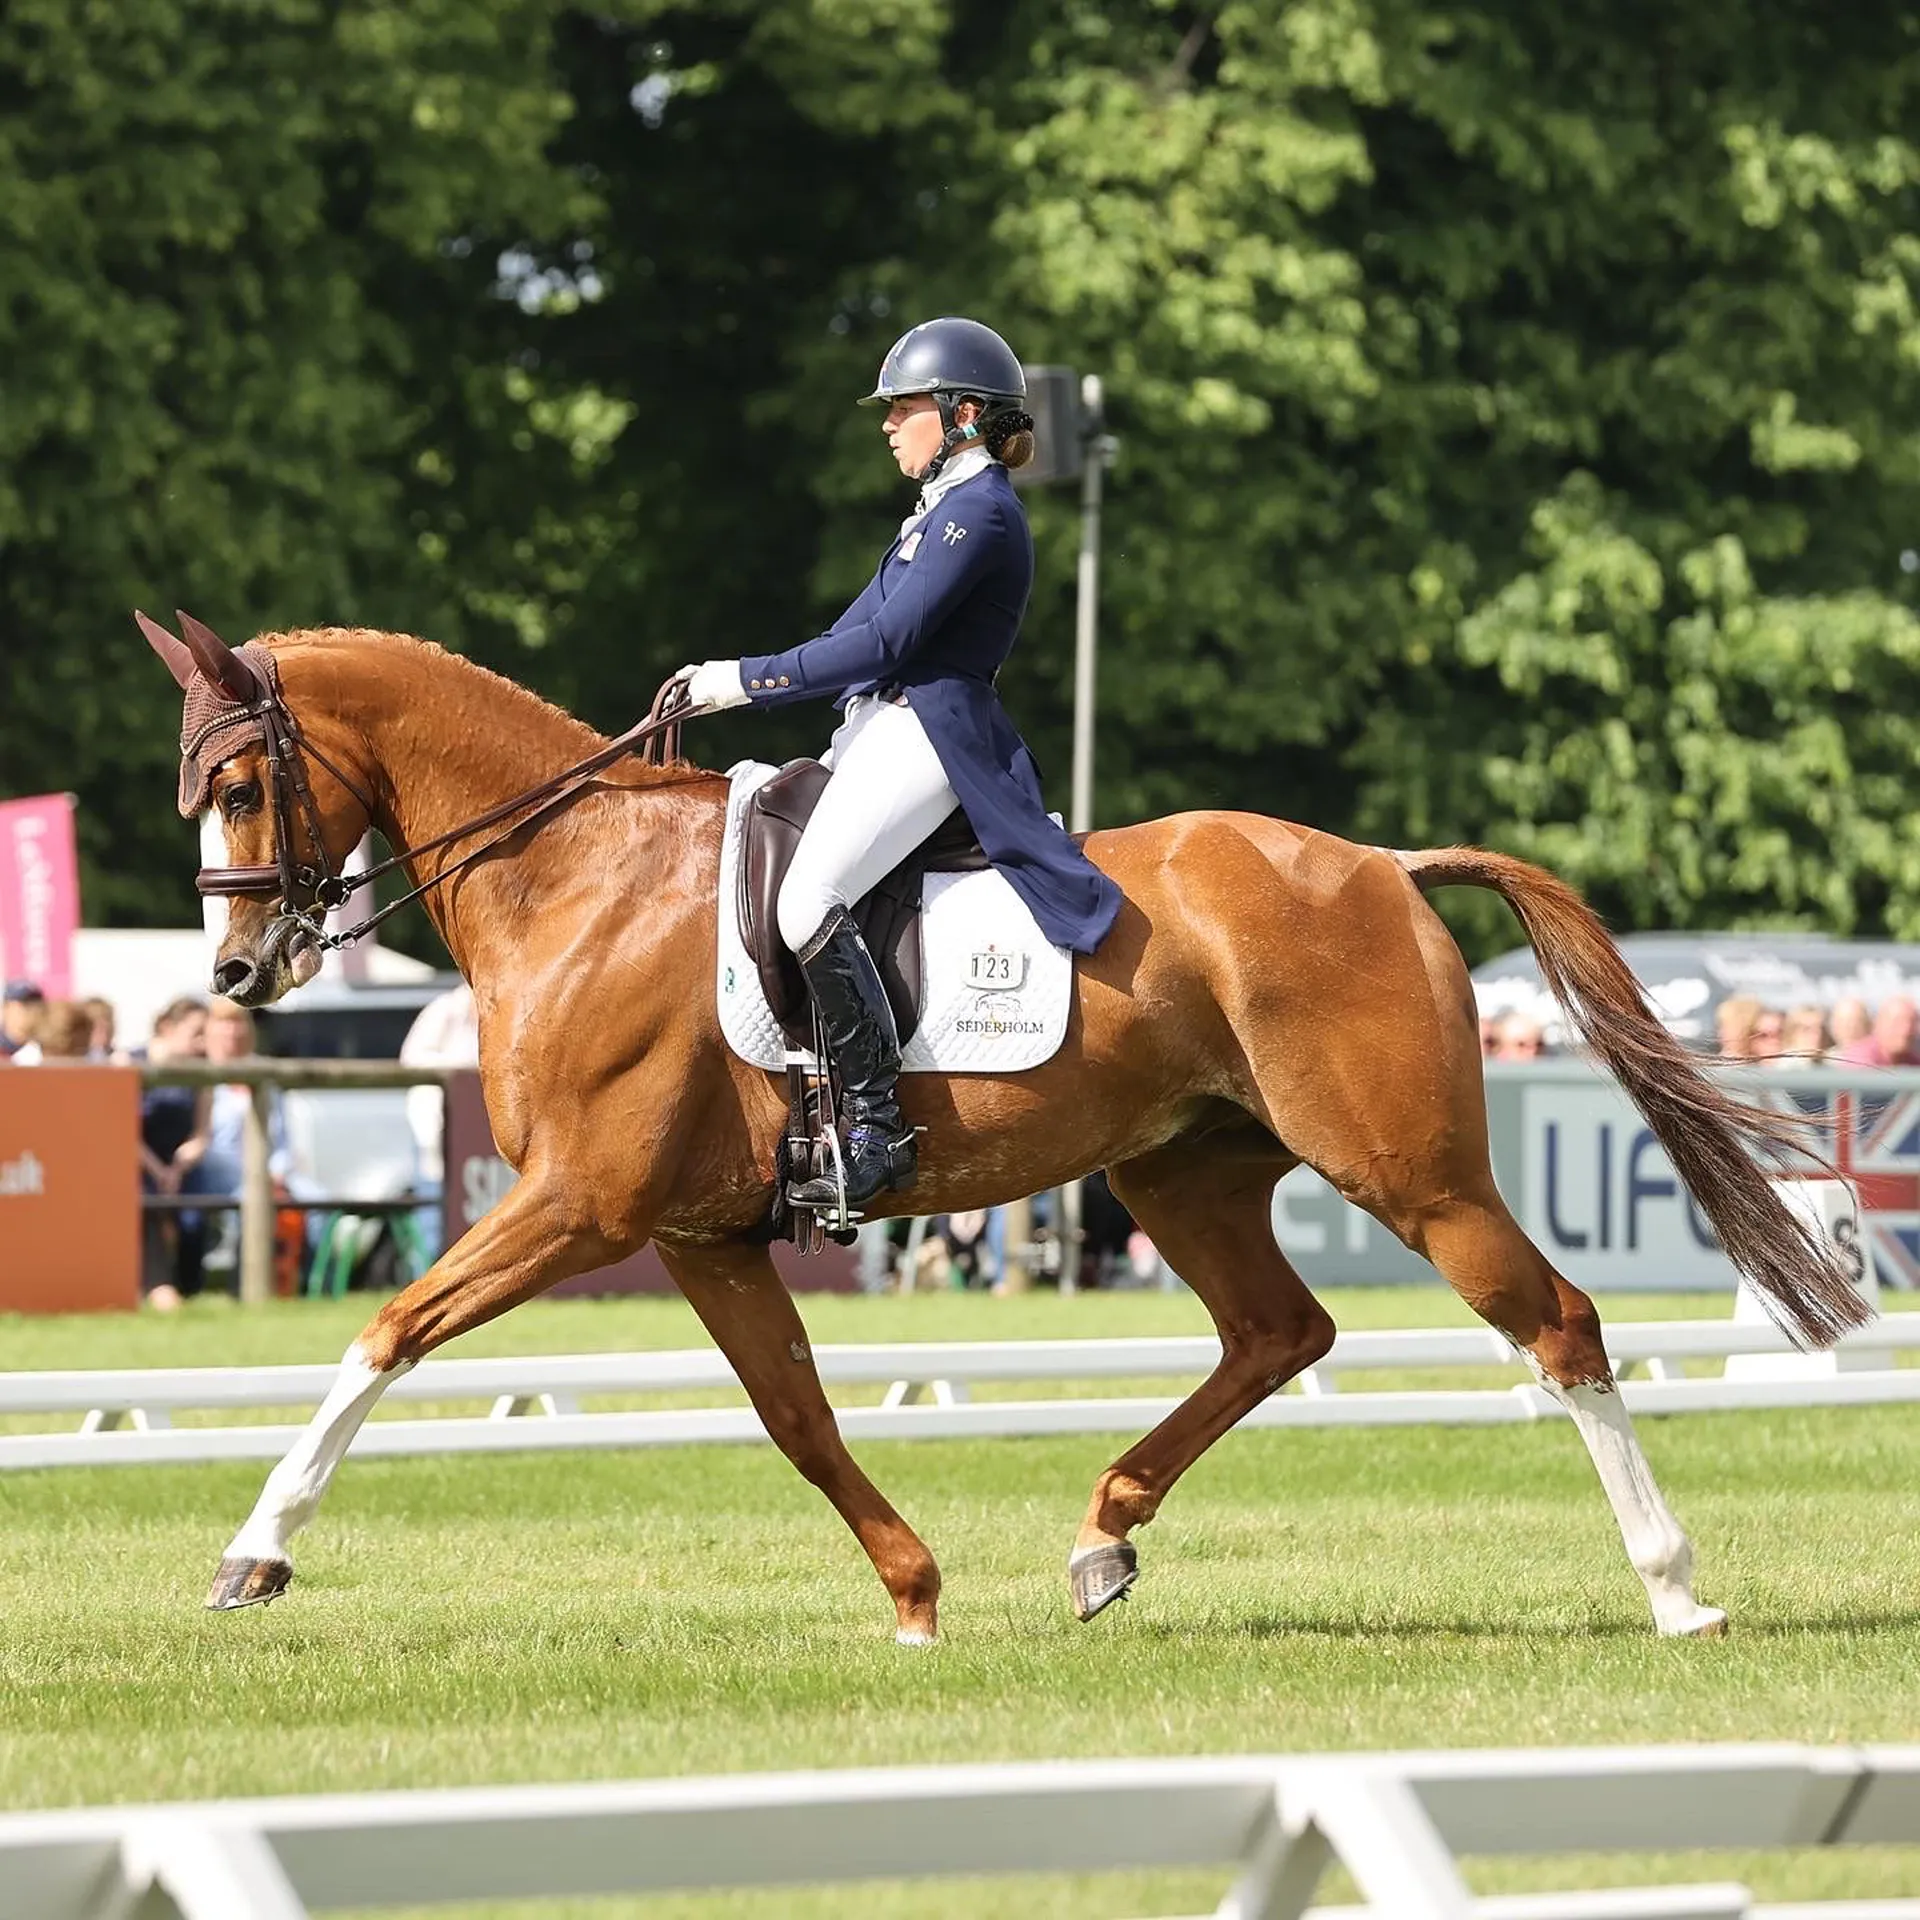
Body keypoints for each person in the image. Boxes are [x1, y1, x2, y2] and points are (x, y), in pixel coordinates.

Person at [669, 318, 1122, 1207]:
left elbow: (887, 641)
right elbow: (847, 636)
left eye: (901, 407)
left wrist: (742, 682)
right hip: (880, 726)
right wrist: (726, 682)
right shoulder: (937, 514)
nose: (886, 424)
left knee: (807, 899)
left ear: (959, 415)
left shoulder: (982, 513)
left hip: (933, 732)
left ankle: (876, 1126)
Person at [1837, 994, 1920, 1068]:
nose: (1906, 1030)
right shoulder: (1859, 1058)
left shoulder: (1913, 1061)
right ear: (1879, 1023)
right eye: (1898, 1022)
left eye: (1912, 1023)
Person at [1, 979, 44, 1058]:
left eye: (37, 1005)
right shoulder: (2, 1050)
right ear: (6, 1009)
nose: (33, 1011)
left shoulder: (47, 1049)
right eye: (26, 1005)